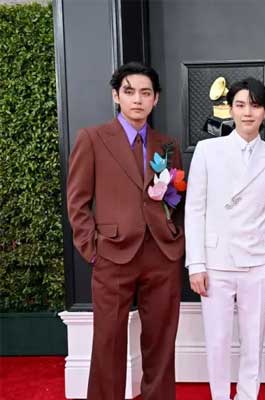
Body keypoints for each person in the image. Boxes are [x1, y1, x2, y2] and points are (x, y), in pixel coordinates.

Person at [66, 62, 184, 400]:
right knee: (108, 342)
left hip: (161, 254)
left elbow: (176, 197)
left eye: (146, 93)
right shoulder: (92, 139)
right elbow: (77, 201)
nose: (137, 100)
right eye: (129, 92)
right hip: (112, 254)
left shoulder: (167, 145)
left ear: (155, 99)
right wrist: (93, 249)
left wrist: (174, 238)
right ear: (116, 96)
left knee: (161, 341)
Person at [185, 78, 265, 400]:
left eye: (255, 106)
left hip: (259, 262)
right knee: (217, 341)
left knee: (253, 342)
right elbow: (195, 209)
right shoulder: (207, 151)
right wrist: (196, 264)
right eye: (241, 105)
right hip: (215, 262)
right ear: (230, 109)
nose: (247, 113)